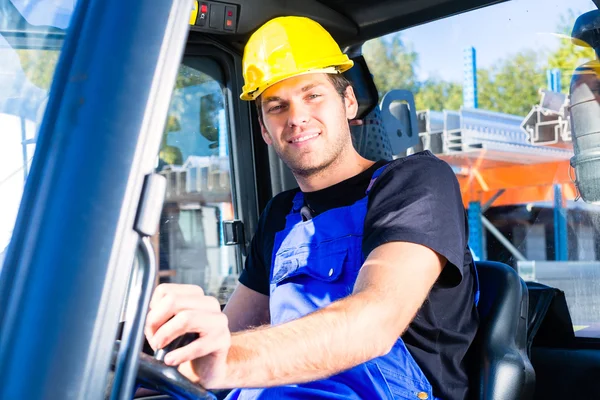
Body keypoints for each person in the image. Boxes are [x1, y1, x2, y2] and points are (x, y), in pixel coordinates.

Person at [144, 16, 479, 400]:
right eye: (277, 105)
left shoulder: (414, 183)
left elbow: (375, 320)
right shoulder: (279, 215)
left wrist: (226, 360)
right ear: (265, 131)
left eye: (313, 94)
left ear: (348, 101)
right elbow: (230, 331)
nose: (297, 117)